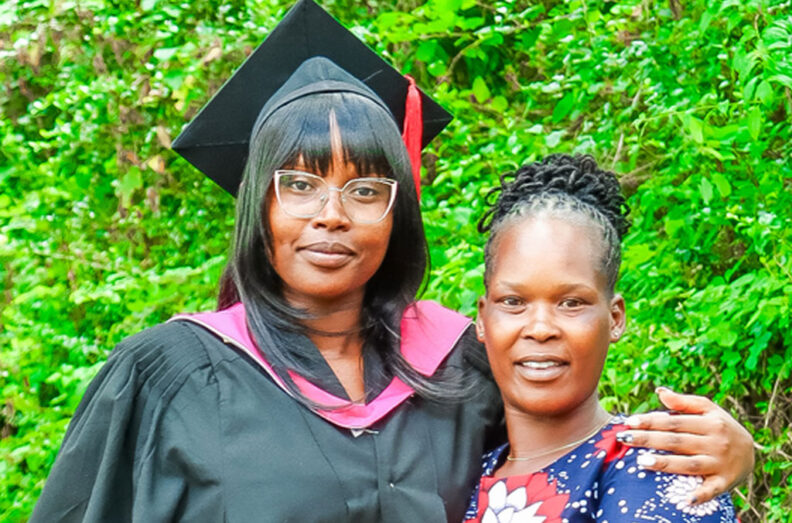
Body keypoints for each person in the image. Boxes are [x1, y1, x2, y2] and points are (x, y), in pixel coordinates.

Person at [31, 1, 753, 521]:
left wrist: (724, 453)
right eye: (300, 184)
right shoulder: (166, 375)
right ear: (260, 204)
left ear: (398, 210)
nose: (332, 214)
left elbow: (568, 450)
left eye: (366, 188)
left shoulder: (459, 366)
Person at [465, 154, 738, 522]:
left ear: (614, 319)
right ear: (483, 319)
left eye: (571, 303)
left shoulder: (654, 466)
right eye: (513, 302)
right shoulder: (462, 478)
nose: (541, 327)